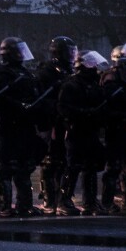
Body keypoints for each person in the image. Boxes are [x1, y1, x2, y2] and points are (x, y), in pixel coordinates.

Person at [0, 37, 44, 218]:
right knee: (6, 167)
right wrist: (18, 105)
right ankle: (4, 205)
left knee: (25, 166)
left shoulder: (25, 73)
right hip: (8, 124)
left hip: (25, 125)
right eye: (17, 51)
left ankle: (25, 204)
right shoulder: (0, 73)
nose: (21, 54)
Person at [57, 51, 109, 216]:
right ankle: (64, 200)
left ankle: (90, 201)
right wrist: (85, 113)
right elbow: (63, 108)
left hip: (91, 131)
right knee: (73, 166)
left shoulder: (94, 84)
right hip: (76, 130)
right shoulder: (71, 84)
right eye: (91, 64)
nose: (94, 68)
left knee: (91, 167)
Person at [36, 36, 77, 214]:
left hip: (69, 121)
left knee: (67, 162)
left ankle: (63, 199)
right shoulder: (47, 71)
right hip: (53, 122)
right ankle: (49, 200)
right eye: (68, 51)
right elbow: (43, 99)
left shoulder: (71, 71)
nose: (72, 55)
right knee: (51, 161)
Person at [99, 55, 126, 212]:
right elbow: (105, 110)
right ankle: (107, 202)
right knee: (113, 168)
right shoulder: (112, 88)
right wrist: (120, 115)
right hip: (115, 131)